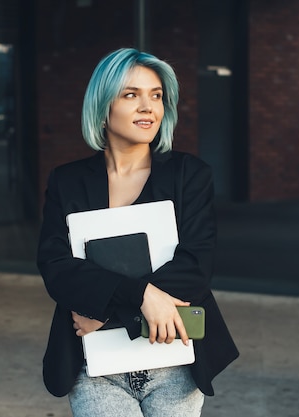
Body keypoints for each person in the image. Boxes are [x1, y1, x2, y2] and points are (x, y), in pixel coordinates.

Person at [36, 48, 239, 417]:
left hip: (174, 363)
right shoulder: (67, 182)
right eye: (131, 95)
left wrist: (115, 314)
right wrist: (142, 293)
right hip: (95, 366)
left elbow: (194, 267)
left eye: (156, 95)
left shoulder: (189, 175)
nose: (148, 107)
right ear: (103, 105)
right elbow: (57, 268)